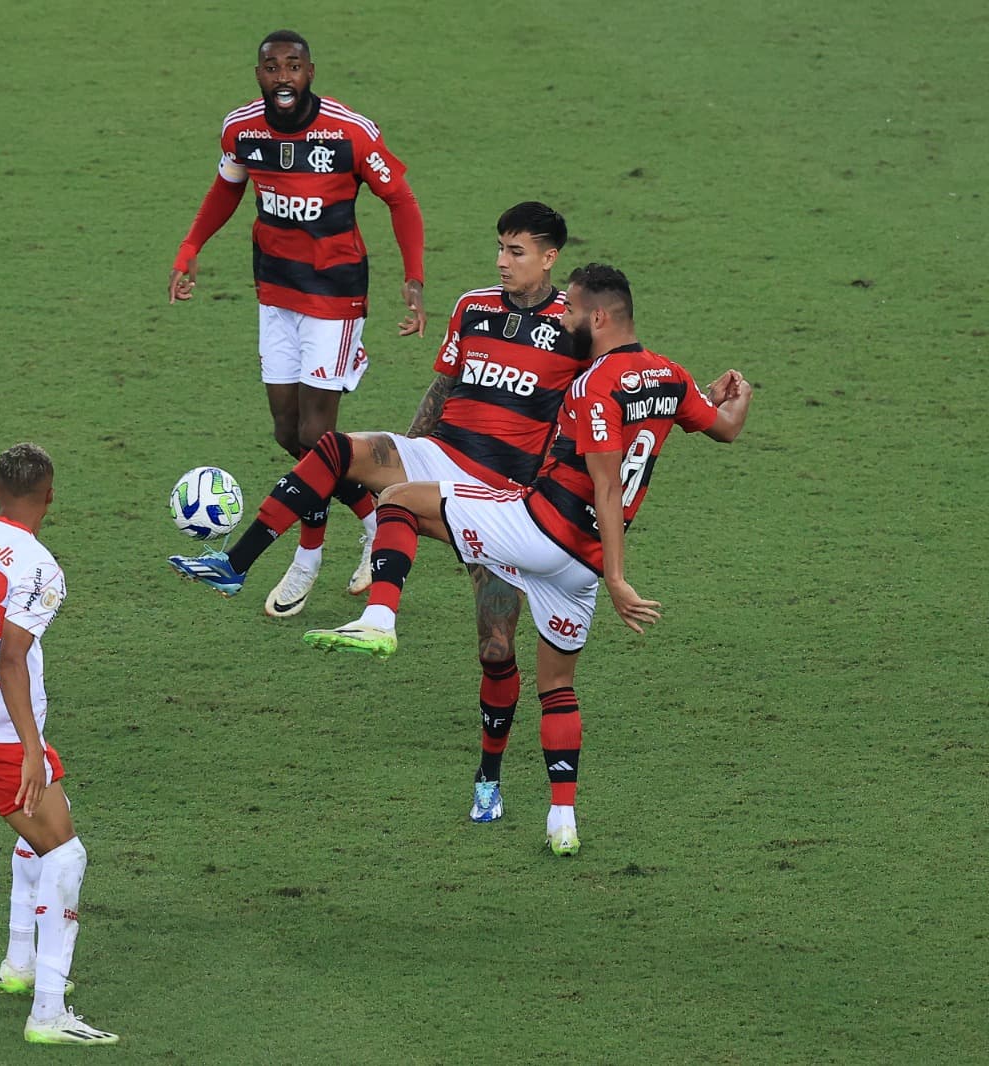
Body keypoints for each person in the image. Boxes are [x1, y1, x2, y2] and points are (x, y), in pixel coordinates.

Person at [302, 264, 753, 856]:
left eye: (571, 313)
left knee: (399, 500)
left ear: (598, 317)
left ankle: (381, 621)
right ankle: (561, 820)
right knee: (558, 688)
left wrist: (620, 578)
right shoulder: (669, 375)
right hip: (580, 571)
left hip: (541, 531)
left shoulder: (596, 386)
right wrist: (737, 398)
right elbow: (722, 427)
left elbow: (608, 486)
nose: (561, 320)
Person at [171, 201, 579, 821]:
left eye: (516, 251)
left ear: (550, 258)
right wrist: (409, 457)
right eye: (499, 247)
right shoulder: (473, 308)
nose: (501, 261)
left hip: (501, 499)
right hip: (439, 455)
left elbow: (622, 387)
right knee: (336, 449)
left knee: (497, 648)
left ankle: (488, 779)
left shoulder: (573, 327)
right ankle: (237, 564)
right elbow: (443, 390)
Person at [168, 28, 428, 612]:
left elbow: (402, 200)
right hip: (276, 294)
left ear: (311, 71)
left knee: (316, 435)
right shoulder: (243, 130)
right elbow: (224, 191)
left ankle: (307, 554)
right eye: (270, 67)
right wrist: (189, 252)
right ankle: (372, 517)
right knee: (288, 434)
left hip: (334, 298)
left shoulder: (349, 132)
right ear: (258, 73)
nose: (282, 76)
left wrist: (413, 279)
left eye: (293, 66)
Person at [0, 443, 119, 1047]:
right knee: (66, 854)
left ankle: (18, 964)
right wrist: (30, 748)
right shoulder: (40, 567)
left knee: (36, 838)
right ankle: (48, 1012)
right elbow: (10, 660)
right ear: (50, 494)